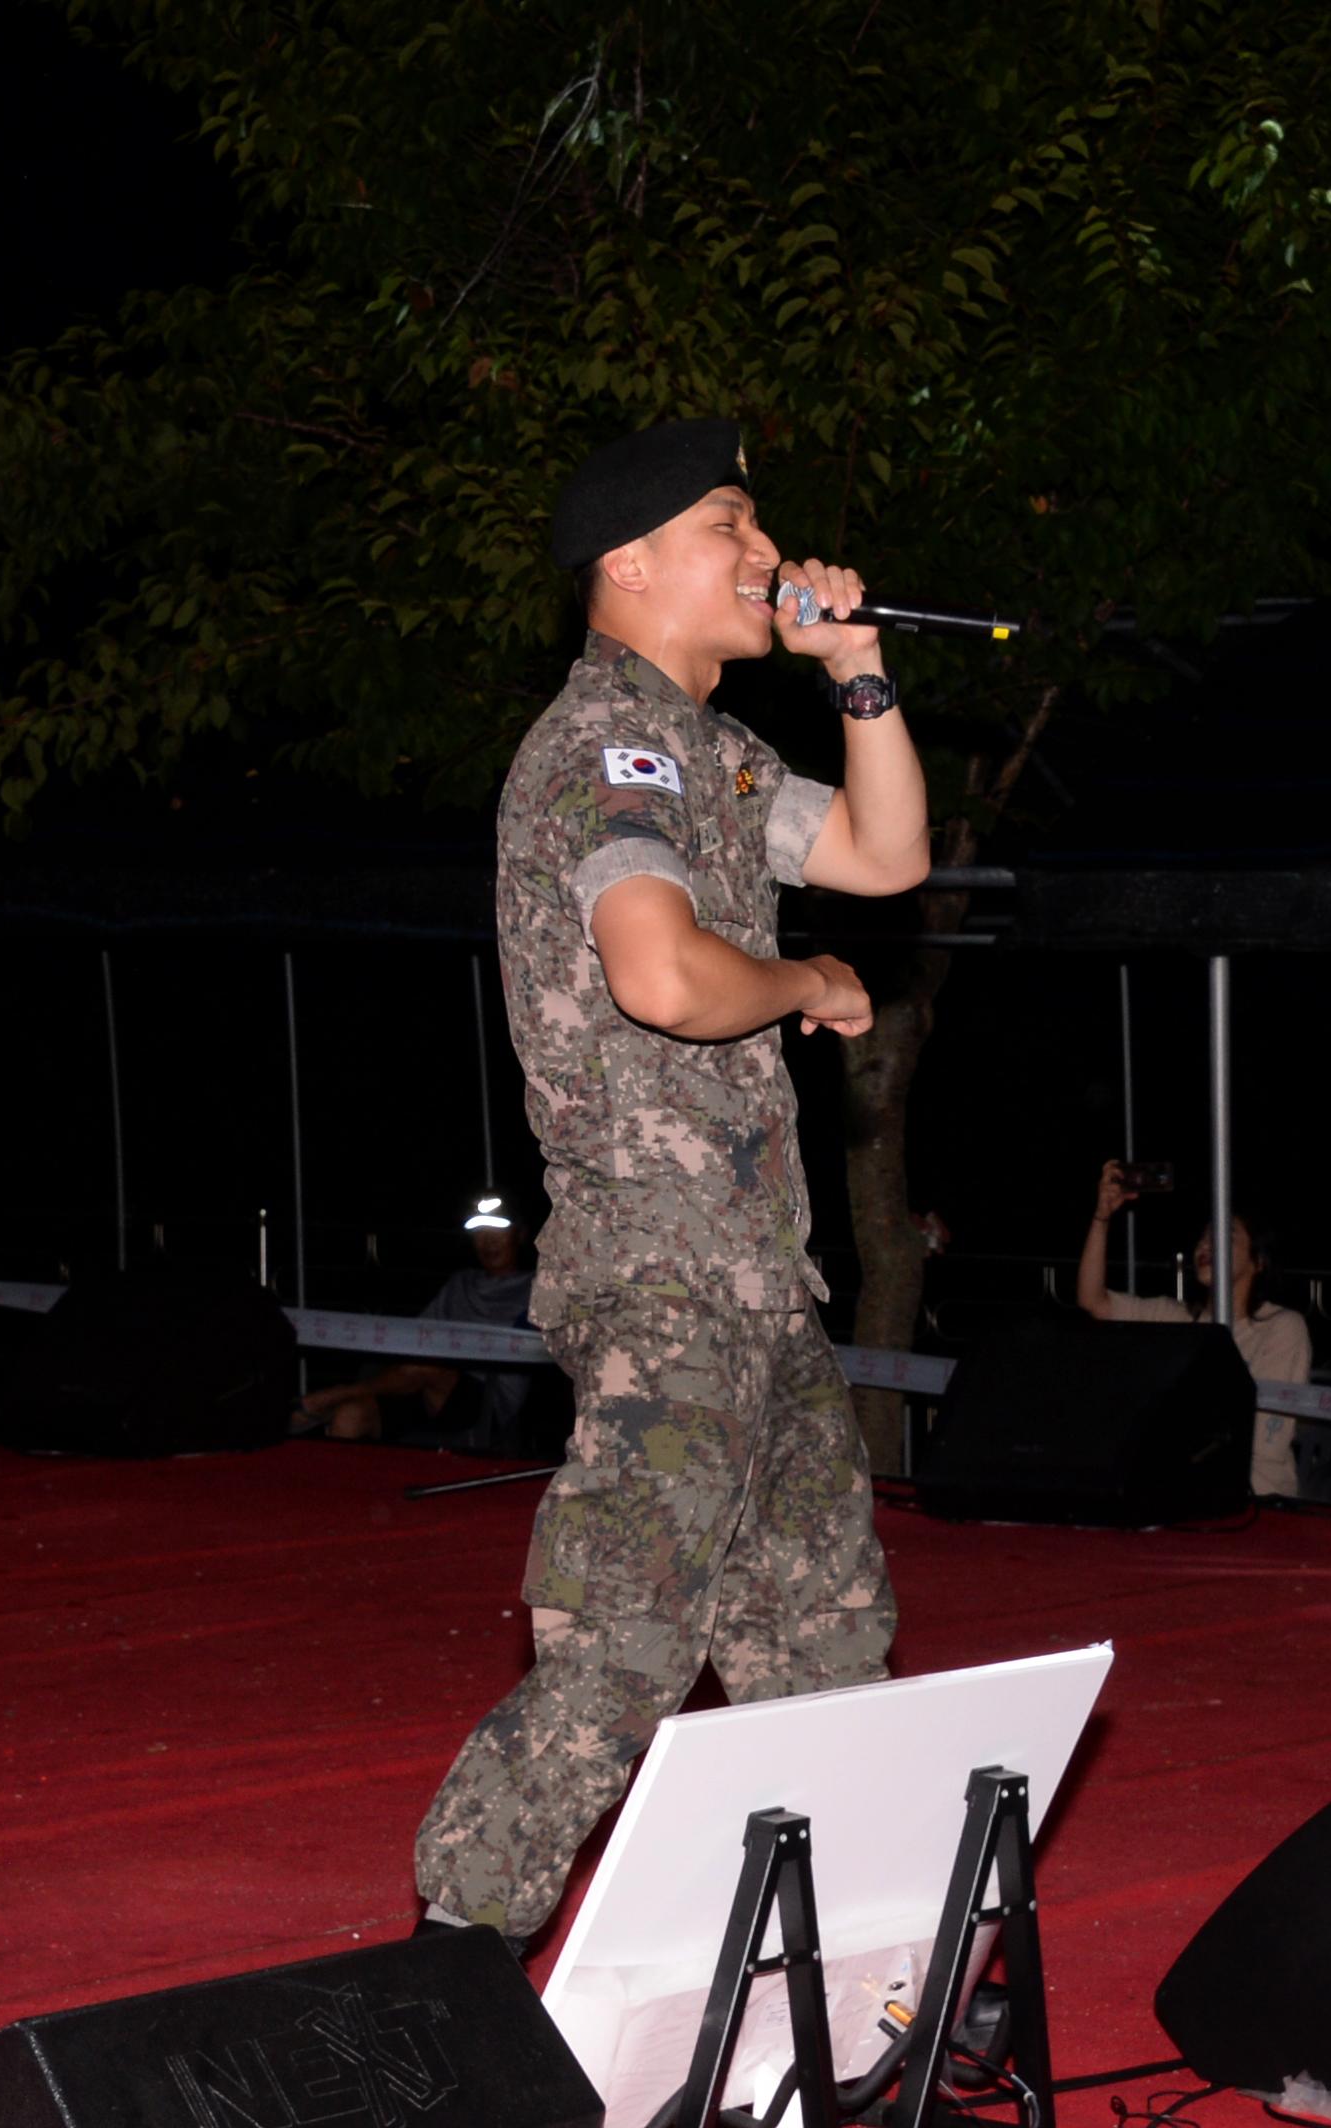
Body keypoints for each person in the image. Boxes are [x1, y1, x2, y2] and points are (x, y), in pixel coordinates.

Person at [412, 419, 929, 1946]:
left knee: (828, 1649)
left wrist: (862, 675)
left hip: (757, 1276)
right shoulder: (602, 747)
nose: (768, 558)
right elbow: (662, 976)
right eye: (733, 528)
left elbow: (883, 852)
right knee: (624, 1646)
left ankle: (865, 2010)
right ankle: (459, 1967)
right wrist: (809, 976)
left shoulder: (709, 751)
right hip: (659, 1272)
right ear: (627, 565)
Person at [1076, 1160, 1313, 1495]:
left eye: (1223, 1237)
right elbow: (1093, 1301)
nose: (1206, 1246)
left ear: (1258, 1261)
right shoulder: (1176, 1317)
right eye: (1204, 1237)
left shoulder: (1281, 1328)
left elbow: (1265, 1441)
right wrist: (1102, 1218)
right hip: (1180, 1482)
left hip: (1256, 1492)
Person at [295, 1200, 542, 1450]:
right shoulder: (460, 1282)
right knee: (350, 1416)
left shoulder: (538, 1287)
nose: (488, 1241)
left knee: (426, 1366)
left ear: (520, 1234)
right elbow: (417, 1333)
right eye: (479, 1232)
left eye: (498, 1230)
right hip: (423, 1390)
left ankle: (327, 1399)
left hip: (487, 1397)